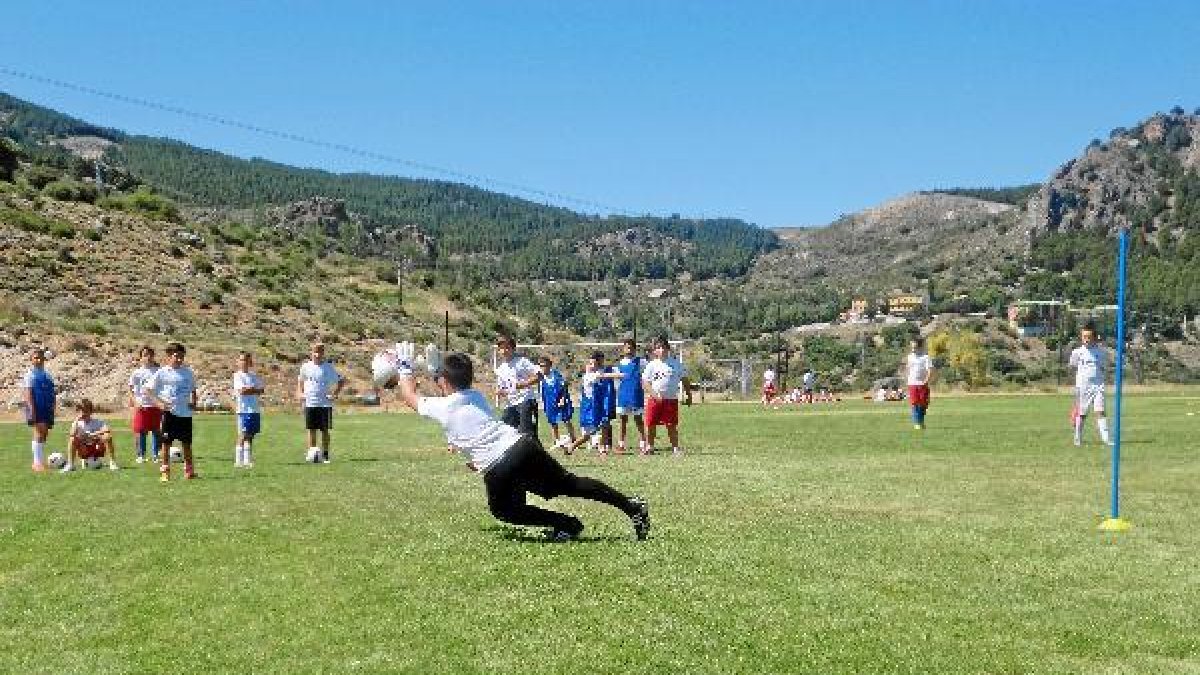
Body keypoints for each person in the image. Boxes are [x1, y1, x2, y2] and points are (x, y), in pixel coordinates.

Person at [373, 347, 649, 542]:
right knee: (569, 483)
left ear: (444, 382)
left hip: (500, 464)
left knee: (504, 510)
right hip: (522, 447)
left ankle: (567, 524)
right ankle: (631, 507)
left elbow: (411, 397)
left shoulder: (444, 406)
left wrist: (404, 369)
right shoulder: (475, 397)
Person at [144, 342, 198, 481]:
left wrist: (194, 401)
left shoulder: (188, 372)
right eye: (176, 356)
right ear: (169, 356)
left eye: (182, 356)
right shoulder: (162, 372)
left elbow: (193, 389)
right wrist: (159, 403)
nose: (179, 359)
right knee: (166, 444)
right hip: (170, 414)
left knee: (186, 444)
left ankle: (189, 471)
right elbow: (148, 390)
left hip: (185, 414)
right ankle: (165, 472)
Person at [642, 336, 693, 456]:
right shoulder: (652, 365)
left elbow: (684, 380)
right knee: (650, 424)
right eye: (658, 348)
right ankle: (650, 447)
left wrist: (688, 394)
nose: (662, 350)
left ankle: (675, 448)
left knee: (671, 425)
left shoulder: (676, 364)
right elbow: (645, 382)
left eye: (664, 347)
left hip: (671, 400)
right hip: (654, 400)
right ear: (654, 351)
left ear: (668, 348)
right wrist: (654, 395)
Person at [297, 342, 343, 464]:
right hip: (310, 402)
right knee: (311, 429)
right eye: (315, 352)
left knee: (324, 430)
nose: (317, 354)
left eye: (320, 352)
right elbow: (300, 381)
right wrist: (300, 393)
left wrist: (334, 394)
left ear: (323, 353)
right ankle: (312, 454)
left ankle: (325, 455)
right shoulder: (305, 366)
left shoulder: (328, 367)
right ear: (311, 353)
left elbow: (340, 381)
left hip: (324, 404)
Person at [567, 352, 621, 456]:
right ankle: (572, 446)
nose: (592, 366)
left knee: (604, 425)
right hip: (590, 409)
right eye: (590, 364)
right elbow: (605, 375)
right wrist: (623, 375)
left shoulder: (594, 373)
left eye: (594, 363)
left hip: (596, 407)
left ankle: (602, 449)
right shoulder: (590, 376)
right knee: (589, 434)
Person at [1068, 325, 1112, 447]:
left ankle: (1106, 439)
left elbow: (1104, 367)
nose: (1086, 339)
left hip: (1098, 385)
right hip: (1083, 386)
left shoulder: (1101, 352)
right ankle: (1078, 438)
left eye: (1089, 337)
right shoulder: (1077, 352)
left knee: (1100, 411)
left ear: (1094, 338)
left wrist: (1102, 377)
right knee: (1082, 413)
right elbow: (1072, 366)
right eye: (1084, 337)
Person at [493, 335, 541, 435]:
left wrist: (522, 384)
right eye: (501, 348)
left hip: (526, 401)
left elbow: (539, 376)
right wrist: (500, 392)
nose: (504, 350)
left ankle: (533, 450)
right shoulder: (500, 369)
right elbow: (504, 388)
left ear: (513, 349)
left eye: (507, 347)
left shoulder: (522, 361)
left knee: (527, 434)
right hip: (511, 404)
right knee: (505, 433)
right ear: (498, 350)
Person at [22, 347, 56, 473]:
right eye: (35, 357)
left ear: (44, 359)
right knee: (39, 432)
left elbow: (52, 392)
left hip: (47, 408)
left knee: (44, 434)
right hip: (36, 407)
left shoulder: (47, 375)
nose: (38, 360)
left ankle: (40, 462)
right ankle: (37, 463)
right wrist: (31, 410)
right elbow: (28, 393)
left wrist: (53, 407)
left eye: (40, 357)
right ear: (31, 360)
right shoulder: (30, 375)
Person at [62, 398, 118, 472]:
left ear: (91, 411)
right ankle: (70, 465)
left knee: (108, 436)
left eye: (85, 411)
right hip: (84, 449)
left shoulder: (97, 421)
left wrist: (92, 434)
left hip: (97, 448)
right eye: (81, 411)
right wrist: (76, 420)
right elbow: (72, 434)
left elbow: (107, 430)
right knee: (72, 439)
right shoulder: (77, 423)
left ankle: (112, 463)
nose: (83, 413)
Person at [128, 345, 162, 464]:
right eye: (145, 355)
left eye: (150, 354)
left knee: (156, 430)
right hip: (142, 406)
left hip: (156, 405)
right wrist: (135, 402)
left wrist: (161, 402)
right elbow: (131, 390)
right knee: (141, 431)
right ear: (141, 358)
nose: (147, 357)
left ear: (153, 356)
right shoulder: (136, 373)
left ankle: (156, 454)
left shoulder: (159, 371)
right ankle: (141, 455)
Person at [614, 339, 649, 453]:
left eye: (631, 347)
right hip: (623, 395)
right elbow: (616, 380)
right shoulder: (619, 364)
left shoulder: (641, 362)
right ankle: (621, 444)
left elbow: (648, 375)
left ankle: (643, 443)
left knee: (638, 419)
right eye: (626, 347)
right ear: (623, 349)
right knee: (623, 420)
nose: (629, 350)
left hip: (636, 394)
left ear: (635, 349)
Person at [536, 356, 578, 452]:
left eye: (545, 366)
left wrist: (562, 399)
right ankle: (556, 440)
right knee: (552, 422)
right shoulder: (539, 376)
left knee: (566, 420)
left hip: (560, 400)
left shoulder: (556, 375)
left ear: (550, 366)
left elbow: (564, 386)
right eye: (541, 366)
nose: (543, 368)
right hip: (549, 401)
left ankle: (574, 439)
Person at [232, 351, 265, 468]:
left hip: (254, 409)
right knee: (243, 434)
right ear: (238, 362)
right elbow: (242, 391)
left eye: (246, 360)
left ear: (250, 362)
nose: (244, 362)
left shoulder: (254, 376)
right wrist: (253, 389)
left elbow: (261, 390)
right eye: (242, 360)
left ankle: (247, 460)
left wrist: (251, 389)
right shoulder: (237, 375)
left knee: (251, 435)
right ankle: (238, 461)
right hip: (243, 410)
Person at [906, 338, 934, 430]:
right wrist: (907, 378)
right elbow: (908, 368)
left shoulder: (926, 357)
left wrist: (926, 380)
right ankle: (917, 423)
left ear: (920, 347)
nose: (913, 349)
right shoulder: (909, 357)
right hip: (912, 384)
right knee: (914, 403)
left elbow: (930, 370)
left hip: (922, 384)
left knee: (923, 404)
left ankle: (921, 421)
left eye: (915, 347)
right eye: (912, 347)